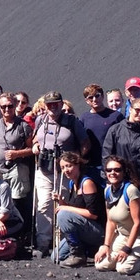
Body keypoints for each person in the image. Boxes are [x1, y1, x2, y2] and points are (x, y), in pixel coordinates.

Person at [32, 91, 90, 252]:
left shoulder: (72, 122)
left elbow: (85, 143)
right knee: (44, 205)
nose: (53, 107)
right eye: (49, 104)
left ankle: (65, 242)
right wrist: (35, 146)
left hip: (65, 172)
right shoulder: (40, 120)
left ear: (61, 104)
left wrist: (75, 160)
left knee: (64, 204)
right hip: (44, 169)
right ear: (45, 105)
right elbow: (36, 139)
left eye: (56, 103)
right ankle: (43, 242)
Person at [95, 156, 140, 275]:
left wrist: (127, 249)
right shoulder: (108, 191)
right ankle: (131, 256)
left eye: (117, 170)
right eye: (109, 170)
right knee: (101, 264)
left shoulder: (131, 190)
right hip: (123, 235)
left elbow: (138, 223)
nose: (113, 173)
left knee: (123, 268)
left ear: (124, 172)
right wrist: (106, 245)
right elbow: (111, 221)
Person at [0, 93, 34, 239]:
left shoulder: (23, 126)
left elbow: (33, 149)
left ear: (15, 105)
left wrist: (17, 153)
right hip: (0, 169)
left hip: (18, 169)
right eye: (3, 106)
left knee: (18, 201)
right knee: (3, 202)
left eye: (10, 106)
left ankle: (24, 234)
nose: (6, 109)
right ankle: (9, 233)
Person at [52, 151, 104, 268]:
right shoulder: (72, 183)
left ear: (78, 165)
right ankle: (87, 250)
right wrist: (61, 201)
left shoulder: (87, 183)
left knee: (62, 214)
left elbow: (93, 214)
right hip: (84, 228)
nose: (66, 170)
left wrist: (65, 207)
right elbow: (75, 209)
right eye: (63, 167)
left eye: (69, 166)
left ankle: (78, 255)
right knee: (56, 256)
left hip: (98, 229)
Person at [102, 97, 140, 189]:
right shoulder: (115, 130)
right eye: (137, 110)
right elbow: (107, 156)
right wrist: (108, 179)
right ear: (130, 109)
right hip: (120, 181)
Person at [79, 84, 123, 182]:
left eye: (97, 95)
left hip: (112, 167)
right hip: (91, 166)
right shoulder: (84, 118)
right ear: (86, 101)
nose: (94, 99)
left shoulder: (116, 116)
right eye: (90, 97)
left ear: (102, 96)